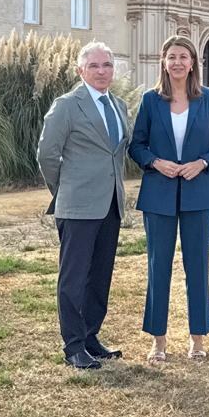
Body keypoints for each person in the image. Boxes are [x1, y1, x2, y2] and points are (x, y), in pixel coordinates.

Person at [129, 35, 209, 362]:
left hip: (199, 195)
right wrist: (156, 161)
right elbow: (136, 145)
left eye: (183, 57)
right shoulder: (149, 100)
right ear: (163, 61)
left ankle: (197, 340)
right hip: (158, 195)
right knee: (159, 269)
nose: (177, 63)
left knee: (197, 267)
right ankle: (158, 342)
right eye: (171, 57)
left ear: (193, 62)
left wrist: (202, 163)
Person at [37, 41, 132, 370]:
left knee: (100, 275)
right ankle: (74, 345)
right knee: (74, 278)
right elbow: (47, 155)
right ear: (80, 71)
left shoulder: (119, 105)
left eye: (107, 64)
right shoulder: (66, 106)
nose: (102, 71)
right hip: (77, 205)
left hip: (110, 204)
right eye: (94, 66)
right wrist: (63, 190)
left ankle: (91, 336)